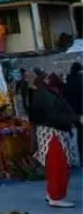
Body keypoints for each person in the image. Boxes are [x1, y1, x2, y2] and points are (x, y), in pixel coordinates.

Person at [24, 69, 83, 208]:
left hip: (50, 132)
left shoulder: (42, 93)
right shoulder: (46, 95)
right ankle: (56, 196)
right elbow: (55, 115)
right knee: (59, 166)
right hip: (53, 133)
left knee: (54, 166)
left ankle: (53, 194)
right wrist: (76, 119)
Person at [67, 62, 83, 162]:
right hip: (81, 109)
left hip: (73, 111)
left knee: (79, 133)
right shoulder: (81, 79)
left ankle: (80, 155)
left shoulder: (69, 80)